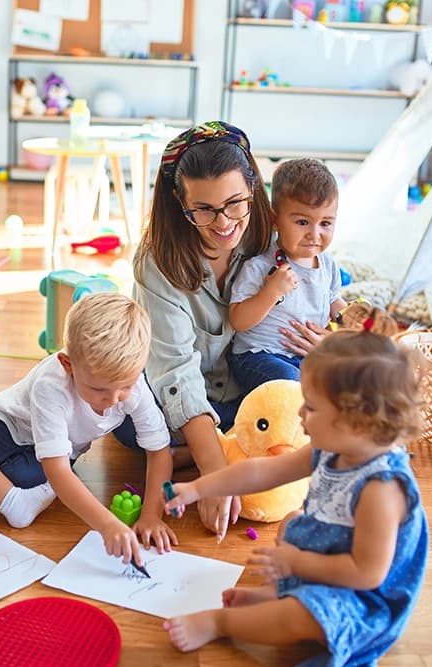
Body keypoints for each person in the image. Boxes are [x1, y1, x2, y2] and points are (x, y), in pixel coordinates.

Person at [161, 312, 429, 664]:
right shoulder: (334, 448)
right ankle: (276, 596)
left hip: (364, 600)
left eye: (312, 407)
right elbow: (261, 472)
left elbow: (367, 574)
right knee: (291, 522)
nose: (301, 415)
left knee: (298, 617)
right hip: (331, 559)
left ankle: (222, 622)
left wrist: (297, 561)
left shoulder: (381, 490)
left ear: (357, 421)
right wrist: (198, 488)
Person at [114, 121, 277, 542]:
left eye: (234, 203)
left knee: (292, 389)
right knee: (128, 422)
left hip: (242, 389)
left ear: (254, 187)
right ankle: (227, 445)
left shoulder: (270, 236)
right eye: (203, 209)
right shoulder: (158, 260)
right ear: (179, 202)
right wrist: (214, 471)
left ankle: (195, 451)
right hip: (186, 398)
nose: (223, 222)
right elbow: (174, 371)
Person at [0, 293, 177, 568]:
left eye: (126, 386)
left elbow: (159, 451)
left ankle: (27, 488)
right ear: (67, 364)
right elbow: (58, 470)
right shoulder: (51, 386)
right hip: (6, 432)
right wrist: (107, 525)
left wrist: (151, 515)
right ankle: (7, 494)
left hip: (58, 448)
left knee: (30, 476)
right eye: (98, 389)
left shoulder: (134, 388)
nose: (113, 400)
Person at [229, 158, 347, 391]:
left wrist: (350, 319)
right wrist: (271, 292)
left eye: (325, 223)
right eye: (303, 222)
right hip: (259, 356)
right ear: (275, 221)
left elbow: (334, 301)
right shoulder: (261, 266)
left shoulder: (327, 264)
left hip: (307, 357)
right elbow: (238, 321)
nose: (314, 234)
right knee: (290, 382)